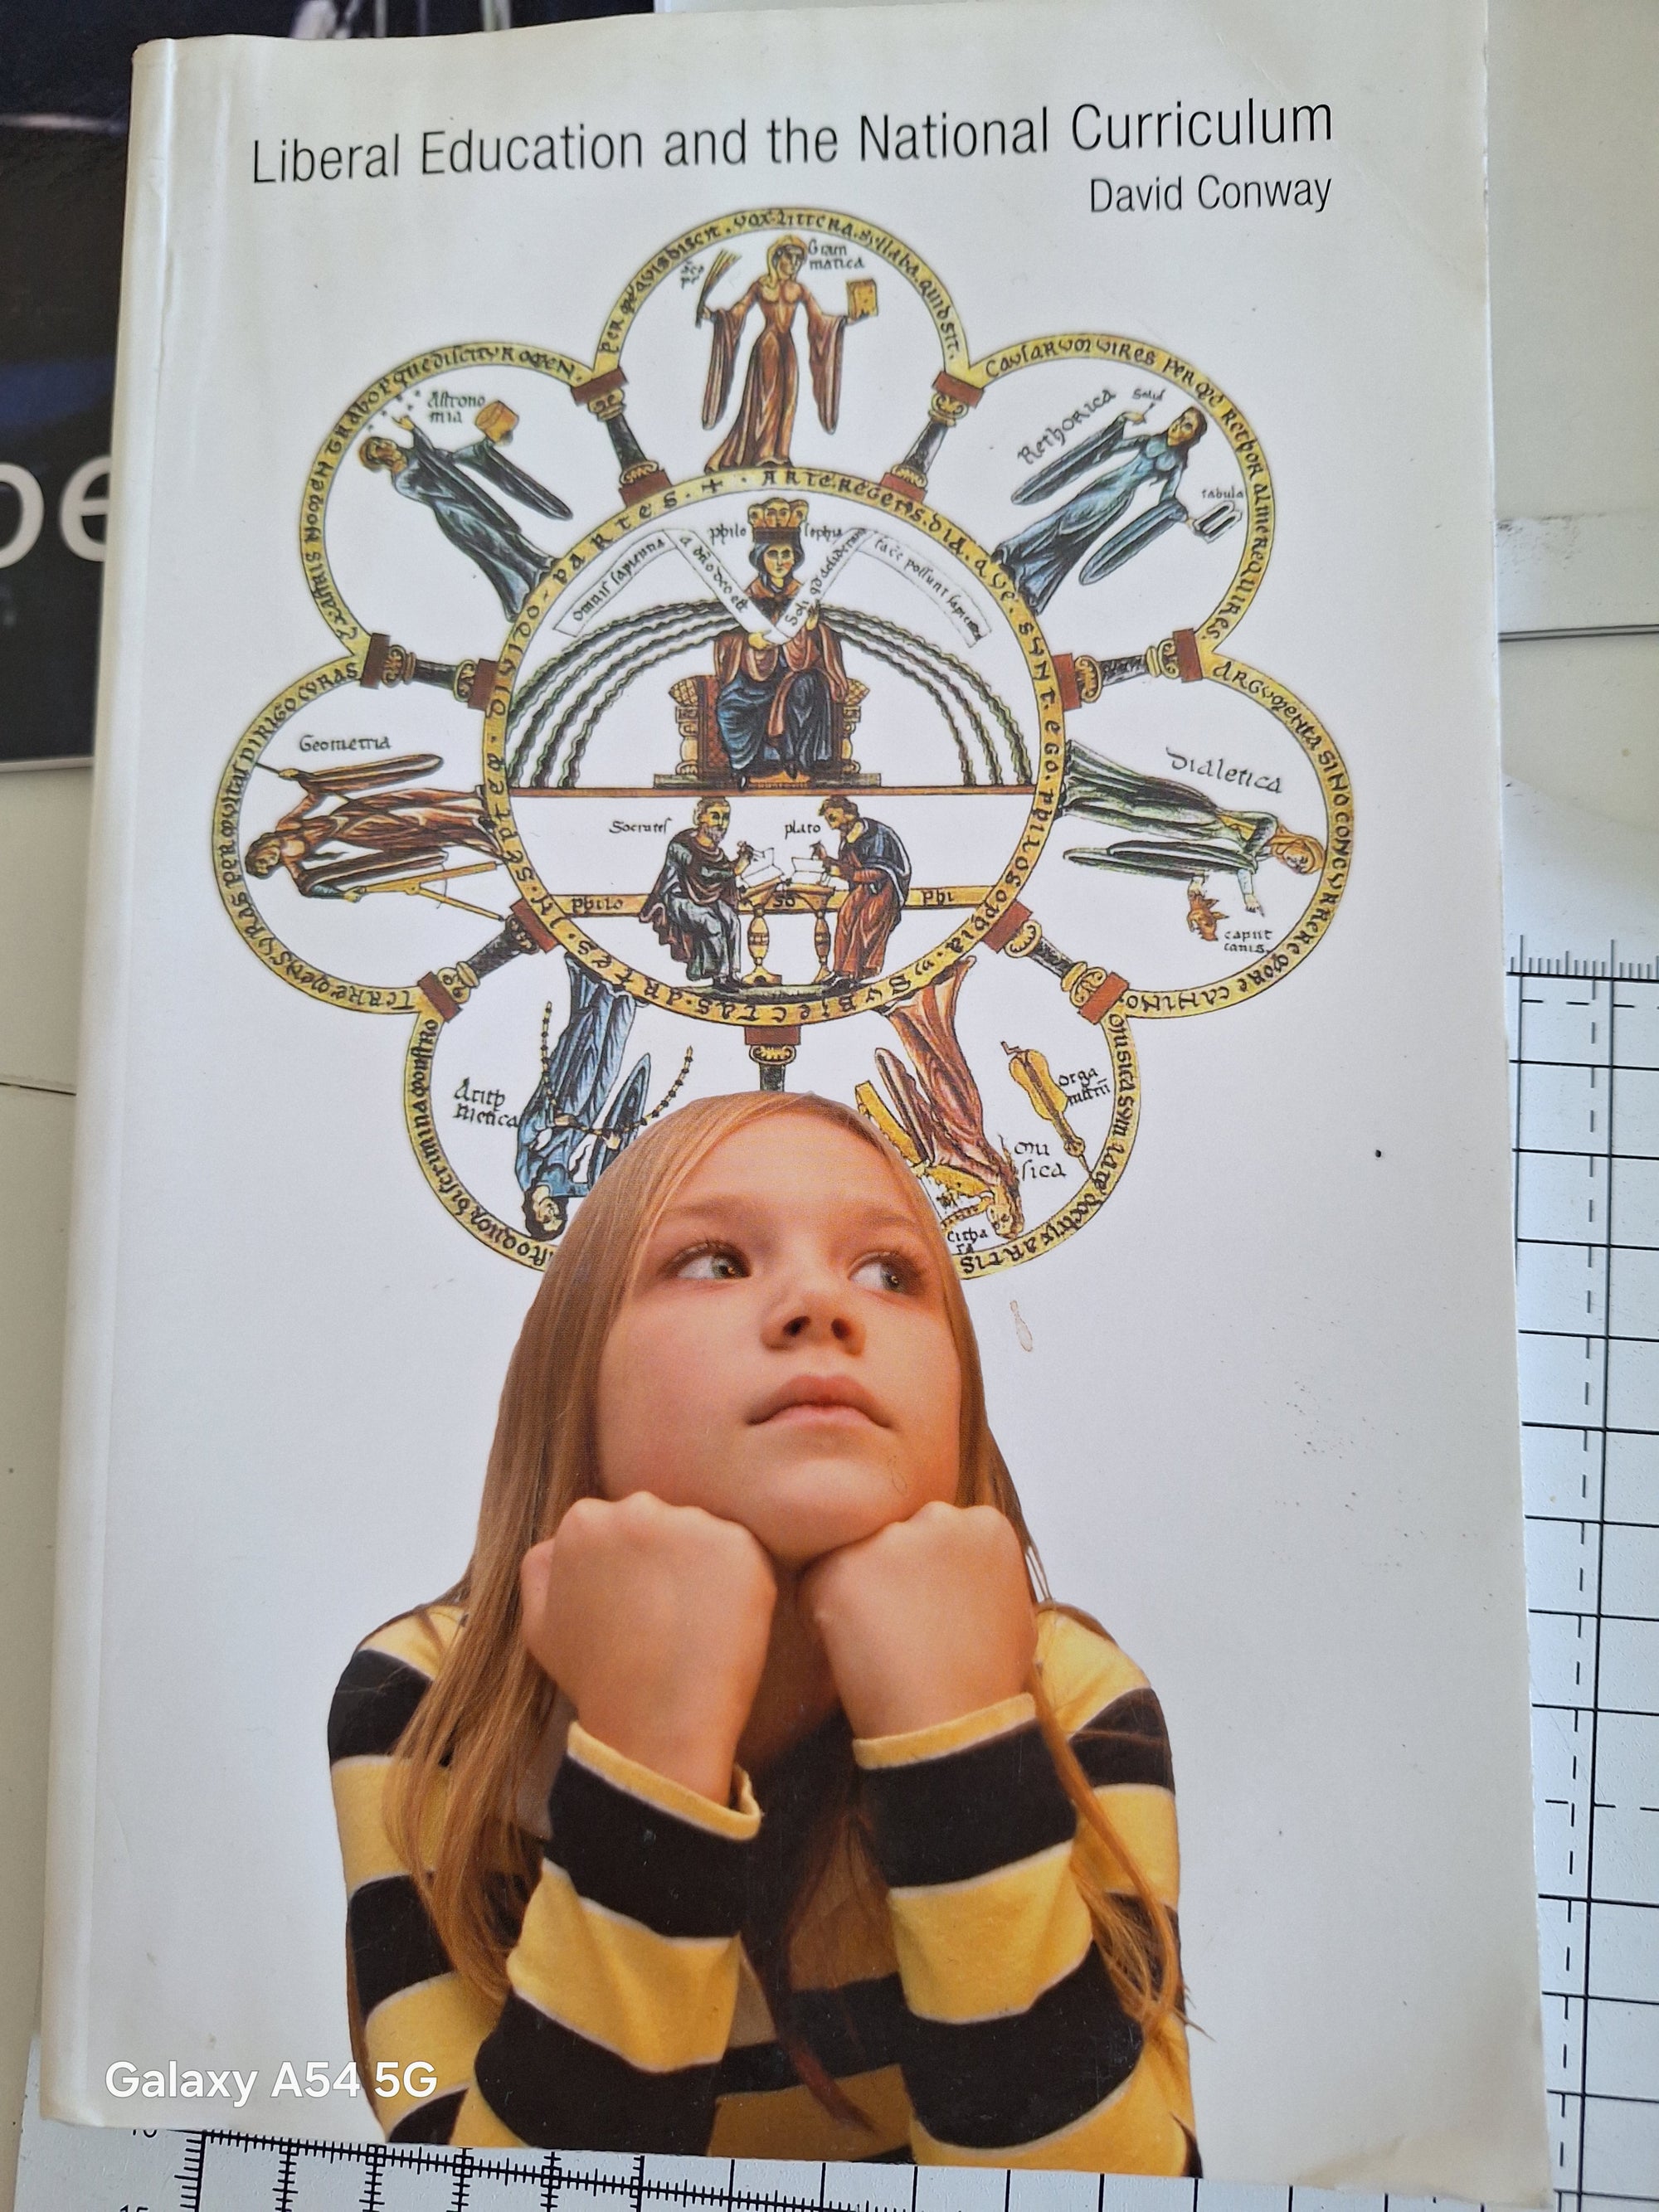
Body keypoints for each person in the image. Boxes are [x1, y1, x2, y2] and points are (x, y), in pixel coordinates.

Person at [328, 1092, 1197, 2169]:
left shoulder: (1072, 1693)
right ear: (573, 1379)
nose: (819, 1305)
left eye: (890, 1271)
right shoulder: (426, 1700)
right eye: (713, 1261)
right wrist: (650, 1757)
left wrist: (960, 1746)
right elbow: (475, 2190)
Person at [1059, 741, 1325, 941]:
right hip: (1201, 817)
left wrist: (1199, 877)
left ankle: (1074, 805)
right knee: (1135, 805)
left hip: (1199, 833)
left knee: (1134, 821)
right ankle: (1080, 787)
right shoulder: (1270, 826)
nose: (1293, 862)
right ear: (1300, 844)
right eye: (1301, 859)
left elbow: (1230, 859)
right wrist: (1249, 895)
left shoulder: (1263, 854)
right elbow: (1243, 859)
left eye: (1297, 867)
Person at [993, 406, 1208, 615]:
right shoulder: (1151, 440)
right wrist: (1122, 420)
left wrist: (1183, 516)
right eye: (1180, 419)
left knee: (1073, 545)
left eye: (1187, 426)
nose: (1178, 426)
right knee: (1058, 521)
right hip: (1104, 485)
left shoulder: (1177, 463)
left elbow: (1167, 497)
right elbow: (1112, 447)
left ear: (1192, 438)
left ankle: (1027, 576)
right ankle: (1012, 553)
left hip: (1116, 501)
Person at [358, 414, 567, 620]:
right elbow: (429, 464)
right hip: (453, 513)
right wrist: (413, 430)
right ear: (379, 459)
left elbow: (438, 458)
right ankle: (527, 582)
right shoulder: (401, 479)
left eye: (380, 441)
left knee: (503, 532)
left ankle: (542, 563)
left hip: (466, 499)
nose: (385, 443)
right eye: (378, 447)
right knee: (494, 543)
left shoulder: (416, 454)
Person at [515, 955, 652, 1244]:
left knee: (590, 1052)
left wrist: (553, 1120)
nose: (554, 1213)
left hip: (564, 1105)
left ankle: (606, 993)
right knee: (609, 1065)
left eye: (547, 1219)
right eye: (558, 1219)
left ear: (534, 1213)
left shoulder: (526, 1175)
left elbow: (525, 1133)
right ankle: (627, 1003)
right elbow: (596, 1184)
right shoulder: (564, 1189)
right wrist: (612, 1147)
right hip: (587, 1119)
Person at [712, 499, 850, 784]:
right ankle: (746, 765)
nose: (779, 561)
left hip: (792, 673)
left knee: (808, 686)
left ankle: (797, 760)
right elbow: (724, 639)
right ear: (761, 557)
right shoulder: (747, 598)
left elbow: (822, 647)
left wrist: (812, 630)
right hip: (753, 678)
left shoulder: (804, 597)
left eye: (786, 554)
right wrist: (748, 641)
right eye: (772, 554)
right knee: (730, 706)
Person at [245, 756, 503, 898]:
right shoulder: (291, 861)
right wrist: (340, 895)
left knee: (415, 795)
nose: (269, 862)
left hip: (348, 811)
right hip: (355, 832)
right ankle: (473, 821)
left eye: (262, 860)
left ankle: (472, 801)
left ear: (260, 848)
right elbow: (307, 886)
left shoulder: (285, 825)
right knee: (417, 819)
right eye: (267, 868)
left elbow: (313, 799)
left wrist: (302, 777)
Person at [701, 236, 846, 471]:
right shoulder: (761, 285)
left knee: (788, 398)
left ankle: (781, 452)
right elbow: (739, 310)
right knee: (767, 399)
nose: (796, 264)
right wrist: (717, 317)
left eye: (799, 260)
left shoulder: (799, 289)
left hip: (787, 346)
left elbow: (819, 318)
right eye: (792, 258)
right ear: (778, 258)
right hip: (768, 345)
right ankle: (764, 453)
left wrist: (842, 322)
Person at [640, 795, 752, 987]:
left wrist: (742, 859)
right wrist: (734, 870)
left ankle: (733, 974)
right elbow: (701, 871)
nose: (721, 823)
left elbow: (720, 877)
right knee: (713, 923)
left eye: (725, 817)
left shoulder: (717, 851)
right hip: (678, 900)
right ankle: (720, 977)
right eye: (715, 816)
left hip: (705, 898)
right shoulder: (680, 844)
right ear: (700, 818)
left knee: (733, 921)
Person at [814, 793, 912, 980]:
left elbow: (880, 871)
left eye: (832, 816)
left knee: (864, 923)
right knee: (845, 916)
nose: (828, 821)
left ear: (847, 813)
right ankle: (839, 972)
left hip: (884, 887)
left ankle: (853, 973)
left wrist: (844, 873)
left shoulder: (875, 834)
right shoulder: (847, 836)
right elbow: (849, 868)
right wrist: (826, 859)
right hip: (865, 886)